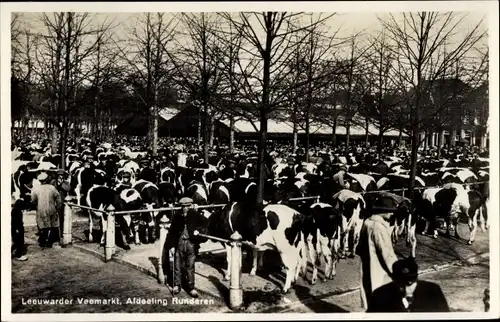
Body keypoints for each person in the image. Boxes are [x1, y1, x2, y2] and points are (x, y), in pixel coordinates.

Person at [367, 258, 450, 312]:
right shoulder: (380, 295)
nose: (406, 289)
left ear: (416, 279)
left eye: (409, 284)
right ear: (394, 280)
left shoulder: (432, 292)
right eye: (401, 285)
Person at [163, 197, 207, 297]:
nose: (185, 208)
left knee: (190, 266)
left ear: (191, 205)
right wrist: (172, 246)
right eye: (183, 206)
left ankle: (191, 287)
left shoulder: (195, 215)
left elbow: (206, 223)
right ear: (181, 207)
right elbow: (172, 232)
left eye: (187, 206)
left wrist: (199, 231)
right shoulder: (177, 216)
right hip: (179, 244)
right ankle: (177, 285)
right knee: (177, 265)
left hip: (191, 244)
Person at [356, 208, 399, 310]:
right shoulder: (379, 227)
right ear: (381, 211)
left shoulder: (367, 222)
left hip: (366, 266)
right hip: (380, 269)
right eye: (389, 210)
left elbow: (359, 248)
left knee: (369, 298)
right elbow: (387, 254)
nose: (392, 213)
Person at [31, 172, 63, 248]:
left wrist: (37, 206)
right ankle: (53, 242)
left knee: (43, 226)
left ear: (40, 181)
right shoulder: (52, 188)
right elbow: (58, 198)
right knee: (54, 226)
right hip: (52, 209)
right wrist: (58, 207)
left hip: (41, 209)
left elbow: (33, 200)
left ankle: (42, 242)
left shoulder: (36, 189)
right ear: (47, 179)